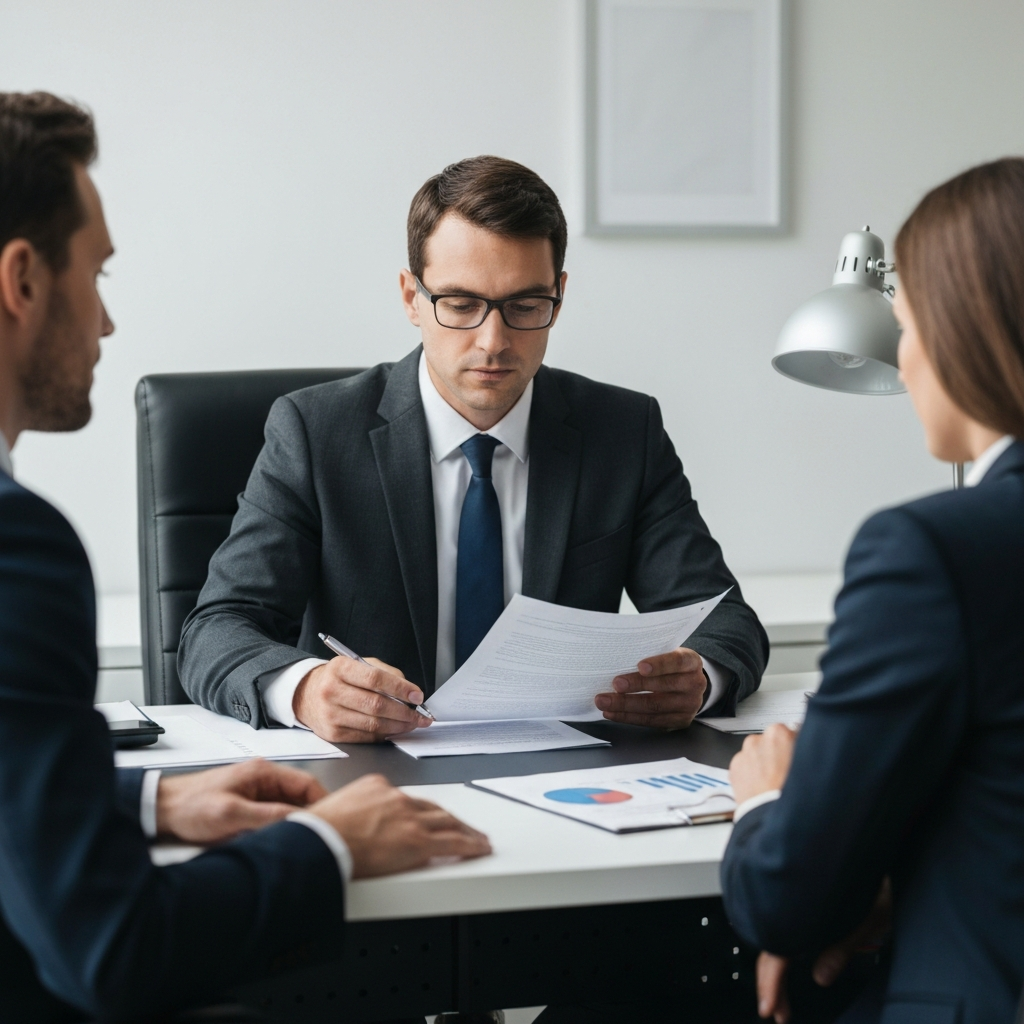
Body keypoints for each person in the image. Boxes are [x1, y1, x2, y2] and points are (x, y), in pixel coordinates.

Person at [0, 91, 489, 1023]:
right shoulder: (16, 549)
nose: (104, 323)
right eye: (95, 274)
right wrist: (332, 847)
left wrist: (147, 806)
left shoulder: (618, 427)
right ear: (23, 280)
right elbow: (112, 954)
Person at [178, 155, 768, 743]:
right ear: (412, 297)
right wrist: (305, 691)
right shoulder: (314, 431)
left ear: (558, 297)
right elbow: (217, 630)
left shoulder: (622, 431)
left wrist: (700, 677)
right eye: (460, 305)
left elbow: (725, 620)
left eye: (525, 307)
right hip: (377, 775)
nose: (494, 341)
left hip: (562, 770)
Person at [721, 158, 1024, 1024]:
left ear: (962, 332)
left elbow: (788, 900)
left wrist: (768, 801)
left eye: (906, 321)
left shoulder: (934, 552)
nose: (903, 352)